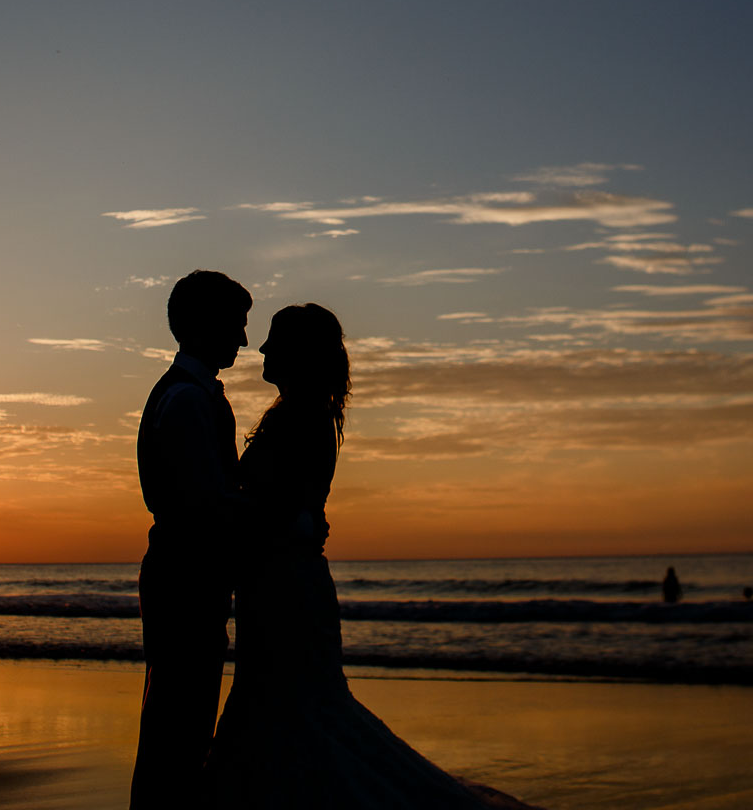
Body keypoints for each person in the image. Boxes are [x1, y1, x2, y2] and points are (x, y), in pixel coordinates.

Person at [206, 303, 537, 808]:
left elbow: (280, 510)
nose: (263, 349)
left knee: (291, 706)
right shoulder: (297, 412)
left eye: (275, 340)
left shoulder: (302, 417)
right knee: (284, 703)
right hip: (278, 582)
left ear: (297, 353)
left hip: (285, 588)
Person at [130, 269, 253, 808]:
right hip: (185, 582)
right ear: (204, 326)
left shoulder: (191, 396)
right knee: (178, 727)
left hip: (183, 577)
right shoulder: (185, 402)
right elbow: (204, 505)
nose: (244, 341)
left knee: (179, 722)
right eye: (236, 325)